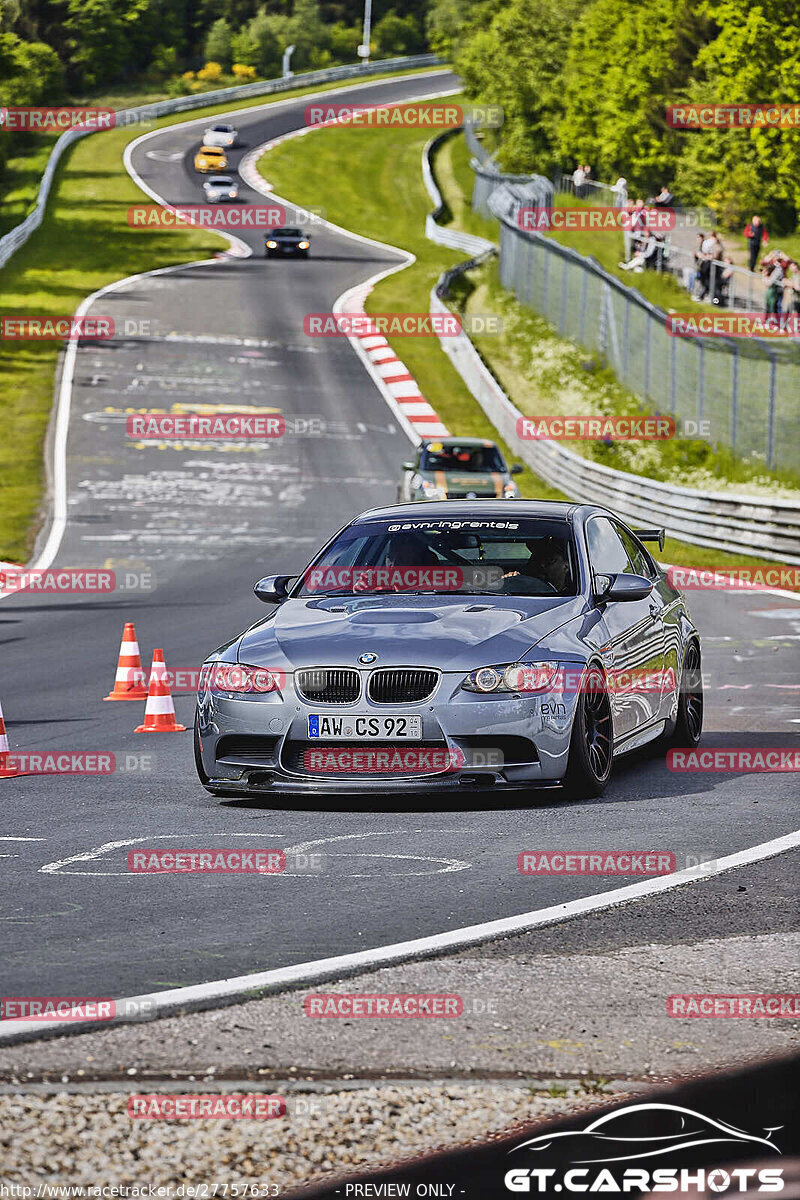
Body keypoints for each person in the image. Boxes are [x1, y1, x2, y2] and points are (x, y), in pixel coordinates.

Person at [503, 537, 570, 592]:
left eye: (550, 561)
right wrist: (508, 582)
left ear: (566, 566)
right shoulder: (521, 584)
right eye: (538, 559)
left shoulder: (574, 596)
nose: (542, 565)